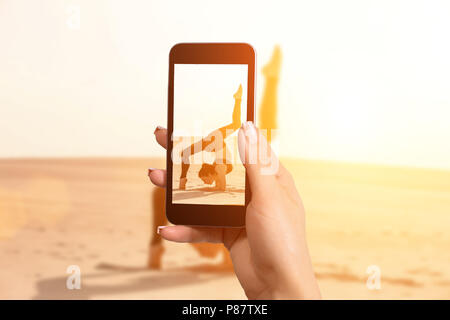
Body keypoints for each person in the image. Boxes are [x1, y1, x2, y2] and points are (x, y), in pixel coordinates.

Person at [148, 121, 321, 299]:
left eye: (206, 181)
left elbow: (216, 176)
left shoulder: (219, 159)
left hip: (226, 233)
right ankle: (157, 250)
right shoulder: (217, 154)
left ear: (209, 174)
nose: (207, 184)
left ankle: (157, 250)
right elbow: (192, 153)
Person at [178, 84, 243, 191]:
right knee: (185, 153)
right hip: (214, 144)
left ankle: (238, 98)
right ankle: (183, 179)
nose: (205, 183)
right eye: (204, 181)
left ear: (209, 174)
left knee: (236, 124)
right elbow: (220, 186)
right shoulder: (217, 169)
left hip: (214, 141)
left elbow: (221, 188)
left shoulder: (218, 168)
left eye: (204, 180)